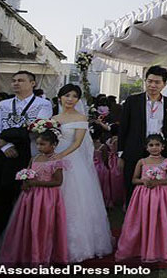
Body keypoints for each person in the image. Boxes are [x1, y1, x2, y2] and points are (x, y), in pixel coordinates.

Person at [0, 71, 52, 242]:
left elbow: (37, 127)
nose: (16, 83)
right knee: (2, 197)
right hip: (4, 155)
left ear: (33, 83)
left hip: (29, 153)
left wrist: (6, 135)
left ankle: (24, 239)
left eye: (21, 80)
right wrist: (5, 145)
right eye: (14, 80)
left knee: (26, 196)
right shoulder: (3, 104)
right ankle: (0, 235)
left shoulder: (43, 104)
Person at [52, 84, 113, 262]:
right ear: (60, 97)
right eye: (67, 95)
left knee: (74, 200)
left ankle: (77, 244)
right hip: (53, 159)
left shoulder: (80, 118)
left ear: (78, 100)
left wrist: (59, 156)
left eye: (74, 96)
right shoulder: (53, 118)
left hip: (72, 161)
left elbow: (77, 143)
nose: (70, 99)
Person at [0, 129, 68, 265]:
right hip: (31, 196)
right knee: (29, 223)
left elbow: (58, 181)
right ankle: (27, 252)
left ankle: (41, 254)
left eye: (43, 144)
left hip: (47, 197)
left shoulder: (56, 160)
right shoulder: (34, 158)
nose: (39, 147)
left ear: (53, 145)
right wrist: (25, 182)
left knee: (43, 224)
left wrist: (36, 183)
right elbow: (28, 172)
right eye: (38, 144)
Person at [119, 66, 167, 202]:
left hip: (160, 152)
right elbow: (123, 128)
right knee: (132, 185)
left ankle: (154, 212)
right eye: (150, 81)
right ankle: (132, 212)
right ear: (145, 81)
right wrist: (121, 153)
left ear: (164, 84)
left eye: (157, 82)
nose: (152, 85)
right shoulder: (132, 101)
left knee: (158, 187)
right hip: (134, 150)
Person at [116, 134, 167, 263]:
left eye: (157, 145)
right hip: (143, 195)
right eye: (151, 145)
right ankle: (140, 248)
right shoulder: (142, 162)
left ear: (162, 147)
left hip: (161, 196)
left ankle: (159, 250)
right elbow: (134, 179)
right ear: (146, 147)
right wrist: (144, 181)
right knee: (142, 220)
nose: (154, 148)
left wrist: (157, 182)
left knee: (160, 221)